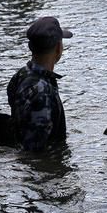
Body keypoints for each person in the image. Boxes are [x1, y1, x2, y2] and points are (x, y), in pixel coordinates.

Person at [7, 17, 73, 151]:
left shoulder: (20, 75)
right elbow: (35, 153)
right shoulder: (44, 92)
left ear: (31, 47)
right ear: (58, 48)